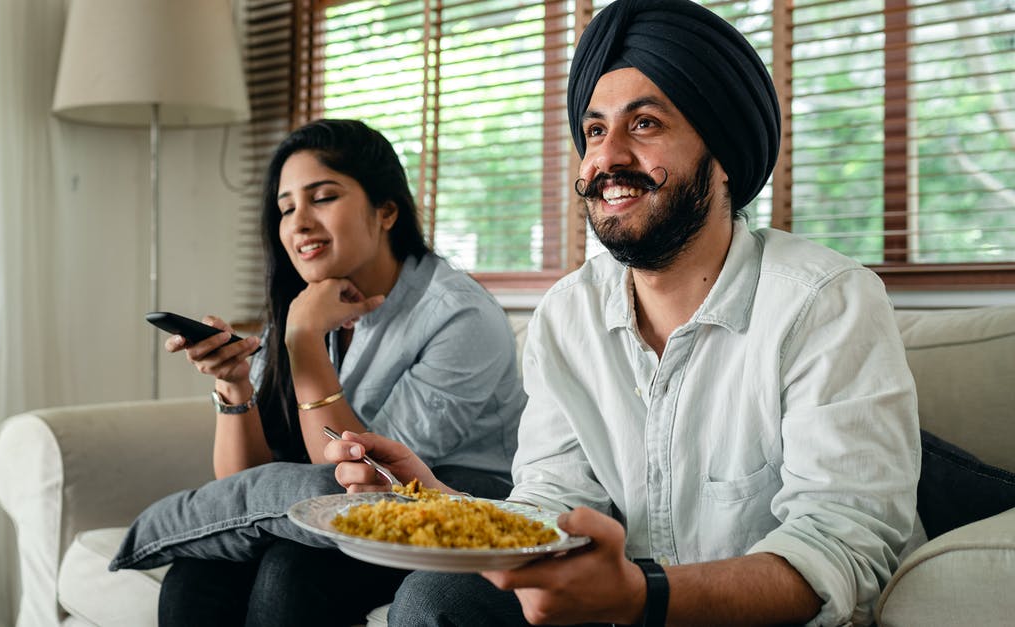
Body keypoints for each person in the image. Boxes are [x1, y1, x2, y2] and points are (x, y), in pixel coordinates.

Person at [325, 1, 921, 625]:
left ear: (722, 157)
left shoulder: (823, 301)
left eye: (644, 125)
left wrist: (643, 597)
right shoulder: (567, 314)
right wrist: (441, 504)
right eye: (594, 131)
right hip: (625, 607)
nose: (606, 158)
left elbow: (840, 548)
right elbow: (552, 502)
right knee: (432, 598)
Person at [110, 119, 527, 626]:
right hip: (347, 507)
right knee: (198, 573)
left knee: (293, 570)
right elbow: (246, 482)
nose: (299, 222)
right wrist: (235, 381)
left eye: (322, 197)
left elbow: (355, 475)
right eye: (286, 208)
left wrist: (302, 342)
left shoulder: (460, 315)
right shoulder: (313, 301)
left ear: (386, 210)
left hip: (447, 503)